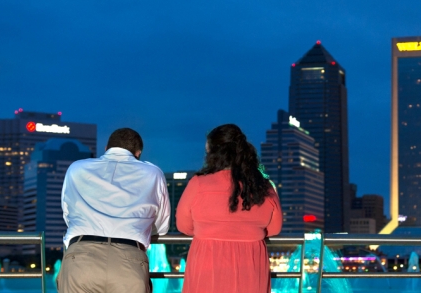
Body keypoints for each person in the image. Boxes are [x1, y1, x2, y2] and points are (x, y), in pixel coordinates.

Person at [57, 128, 170, 293]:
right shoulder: (153, 173)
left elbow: (68, 214)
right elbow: (162, 227)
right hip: (129, 260)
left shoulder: (77, 168)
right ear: (138, 153)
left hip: (81, 257)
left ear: (106, 149)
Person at [177, 124, 282, 293]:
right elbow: (275, 228)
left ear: (214, 154)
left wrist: (209, 230)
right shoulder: (263, 186)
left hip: (207, 260)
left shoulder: (198, 183)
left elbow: (183, 225)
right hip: (251, 263)